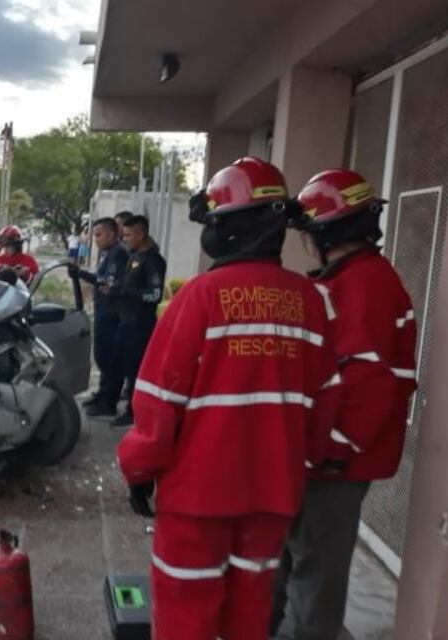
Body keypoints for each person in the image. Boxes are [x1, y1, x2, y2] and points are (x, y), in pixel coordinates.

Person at [116, 157, 340, 640]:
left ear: (230, 229)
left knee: (185, 614)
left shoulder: (200, 297)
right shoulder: (313, 302)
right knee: (250, 611)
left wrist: (139, 472)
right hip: (273, 495)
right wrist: (306, 463)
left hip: (197, 497)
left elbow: (157, 404)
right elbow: (324, 404)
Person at [270, 169, 417, 640]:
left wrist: (333, 448)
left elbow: (367, 378)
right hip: (326, 457)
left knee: (315, 577)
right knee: (294, 564)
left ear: (325, 232)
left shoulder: (364, 284)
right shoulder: (354, 279)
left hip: (336, 464)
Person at [106, 215, 167, 426]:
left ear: (141, 234)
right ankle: (113, 403)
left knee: (135, 371)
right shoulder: (133, 256)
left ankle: (134, 411)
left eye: (129, 235)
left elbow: (154, 295)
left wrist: (126, 291)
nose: (126, 239)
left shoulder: (153, 261)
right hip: (126, 321)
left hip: (140, 324)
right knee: (119, 365)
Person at [69, 218, 128, 415]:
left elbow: (109, 282)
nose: (96, 239)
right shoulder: (107, 253)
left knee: (110, 357)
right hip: (103, 310)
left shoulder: (118, 253)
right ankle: (103, 394)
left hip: (112, 313)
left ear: (111, 233)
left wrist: (82, 275)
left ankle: (109, 401)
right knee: (102, 355)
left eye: (99, 234)